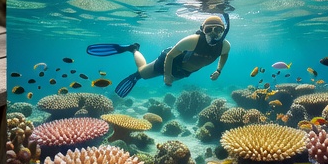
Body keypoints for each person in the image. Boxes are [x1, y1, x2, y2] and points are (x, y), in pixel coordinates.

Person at [87, 14, 231, 98]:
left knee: (170, 79)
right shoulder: (192, 40)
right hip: (169, 60)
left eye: (218, 30)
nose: (213, 33)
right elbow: (170, 56)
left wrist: (219, 70)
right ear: (202, 30)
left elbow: (224, 55)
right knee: (142, 72)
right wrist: (167, 75)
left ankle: (135, 52)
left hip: (184, 71)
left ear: (223, 31)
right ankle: (133, 49)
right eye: (209, 29)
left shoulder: (225, 45)